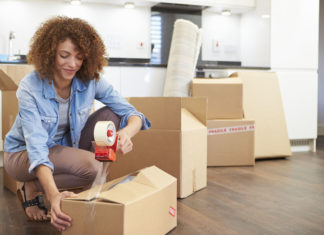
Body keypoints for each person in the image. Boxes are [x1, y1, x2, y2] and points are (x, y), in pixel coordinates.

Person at [3, 16, 151, 232]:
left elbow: (133, 113)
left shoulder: (90, 80)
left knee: (112, 114)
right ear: (49, 53)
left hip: (63, 147)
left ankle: (95, 188)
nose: (72, 64)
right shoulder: (30, 87)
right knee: (92, 166)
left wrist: (127, 132)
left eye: (79, 58)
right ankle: (34, 185)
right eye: (64, 55)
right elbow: (37, 148)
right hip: (22, 154)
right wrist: (53, 196)